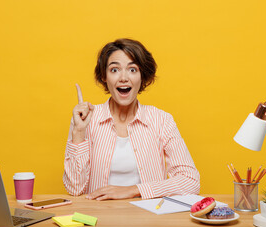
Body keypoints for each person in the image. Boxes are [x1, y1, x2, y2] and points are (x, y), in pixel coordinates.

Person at [63, 38, 200, 200]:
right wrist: (79, 131)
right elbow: (74, 189)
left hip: (148, 219)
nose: (123, 78)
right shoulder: (86, 119)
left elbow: (191, 181)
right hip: (98, 220)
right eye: (114, 70)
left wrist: (134, 190)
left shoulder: (162, 120)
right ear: (104, 77)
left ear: (143, 76)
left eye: (132, 70)